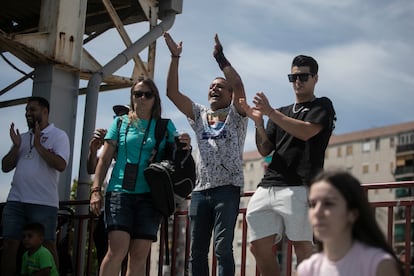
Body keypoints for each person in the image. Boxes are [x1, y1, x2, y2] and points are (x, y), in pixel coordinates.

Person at [240, 55, 336, 276]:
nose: (297, 81)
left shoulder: (322, 105)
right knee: (257, 246)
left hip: (301, 186)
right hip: (268, 186)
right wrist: (259, 122)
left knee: (303, 247)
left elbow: (306, 132)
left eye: (303, 76)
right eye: (293, 77)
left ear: (315, 78)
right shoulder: (281, 112)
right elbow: (265, 149)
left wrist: (271, 113)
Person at [164, 32, 248, 276]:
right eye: (211, 86)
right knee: (197, 252)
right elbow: (172, 92)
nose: (214, 89)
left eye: (220, 87)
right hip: (200, 192)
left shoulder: (237, 115)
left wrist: (220, 58)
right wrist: (175, 57)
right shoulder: (199, 114)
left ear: (230, 95)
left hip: (227, 189)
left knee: (222, 248)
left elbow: (240, 85)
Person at [89, 78, 191, 275]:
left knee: (138, 256)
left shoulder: (164, 125)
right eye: (138, 94)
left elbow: (180, 154)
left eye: (148, 94)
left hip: (150, 198)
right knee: (117, 250)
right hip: (119, 193)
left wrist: (185, 141)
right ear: (132, 97)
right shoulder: (119, 123)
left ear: (155, 99)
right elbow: (104, 160)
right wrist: (95, 190)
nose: (142, 98)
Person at [1, 96, 70, 276]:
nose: (28, 114)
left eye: (32, 110)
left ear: (44, 112)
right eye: (26, 111)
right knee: (9, 243)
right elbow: (5, 167)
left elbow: (61, 165)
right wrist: (16, 147)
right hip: (16, 201)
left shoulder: (59, 135)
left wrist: (39, 145)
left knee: (47, 244)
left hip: (43, 203)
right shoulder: (22, 138)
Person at [297, 169, 403, 276]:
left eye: (328, 204)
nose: (317, 212)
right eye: (312, 204)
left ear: (353, 213)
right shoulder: (307, 269)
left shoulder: (379, 264)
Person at [87, 104, 129, 272]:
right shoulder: (108, 147)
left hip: (126, 209)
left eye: (123, 116)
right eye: (116, 117)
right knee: (105, 254)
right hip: (106, 212)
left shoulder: (134, 145)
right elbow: (91, 169)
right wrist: (93, 149)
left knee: (125, 259)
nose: (118, 120)